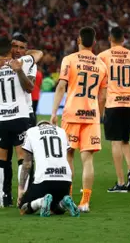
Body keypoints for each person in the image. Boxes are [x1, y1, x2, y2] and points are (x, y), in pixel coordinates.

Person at [51, 27, 108, 212]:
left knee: (68, 156)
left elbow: (61, 86)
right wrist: (98, 115)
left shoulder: (69, 60)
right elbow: (103, 96)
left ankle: (67, 198)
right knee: (88, 159)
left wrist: (53, 112)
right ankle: (85, 202)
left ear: (78, 40)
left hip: (72, 114)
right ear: (94, 42)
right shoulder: (101, 64)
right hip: (91, 116)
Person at [0, 37, 42, 208]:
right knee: (23, 160)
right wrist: (18, 70)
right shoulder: (23, 61)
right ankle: (21, 197)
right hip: (20, 117)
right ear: (10, 49)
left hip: (0, 119)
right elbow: (30, 88)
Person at [98, 27, 130, 192]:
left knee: (115, 142)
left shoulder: (102, 57)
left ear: (110, 38)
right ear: (124, 39)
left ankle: (120, 182)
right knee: (126, 140)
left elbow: (99, 84)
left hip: (113, 103)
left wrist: (99, 107)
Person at [17, 121, 79, 217]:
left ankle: (41, 202)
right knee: (55, 208)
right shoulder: (61, 131)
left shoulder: (31, 131)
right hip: (64, 179)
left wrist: (21, 188)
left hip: (44, 179)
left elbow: (27, 164)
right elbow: (67, 158)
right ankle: (63, 203)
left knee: (23, 208)